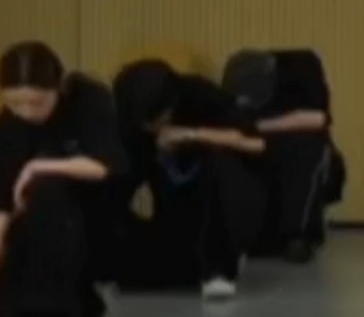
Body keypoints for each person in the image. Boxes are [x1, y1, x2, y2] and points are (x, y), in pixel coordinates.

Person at [0, 43, 122, 317]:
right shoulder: (1, 130)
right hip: (36, 229)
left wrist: (39, 166)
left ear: (58, 88)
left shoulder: (87, 102)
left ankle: (61, 315)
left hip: (91, 220)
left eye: (37, 102)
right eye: (15, 103)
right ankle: (84, 306)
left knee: (46, 188)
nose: (27, 112)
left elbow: (106, 165)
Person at [110, 60, 266, 301]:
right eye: (148, 125)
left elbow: (256, 143)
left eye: (160, 120)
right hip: (173, 210)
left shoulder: (198, 93)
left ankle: (219, 265)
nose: (155, 128)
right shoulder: (130, 118)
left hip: (222, 198)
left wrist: (192, 134)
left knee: (220, 162)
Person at [224, 48, 346, 264]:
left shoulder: (302, 70)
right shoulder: (235, 79)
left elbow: (318, 119)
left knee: (309, 147)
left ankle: (298, 235)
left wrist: (256, 126)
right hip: (256, 150)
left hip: (300, 151)